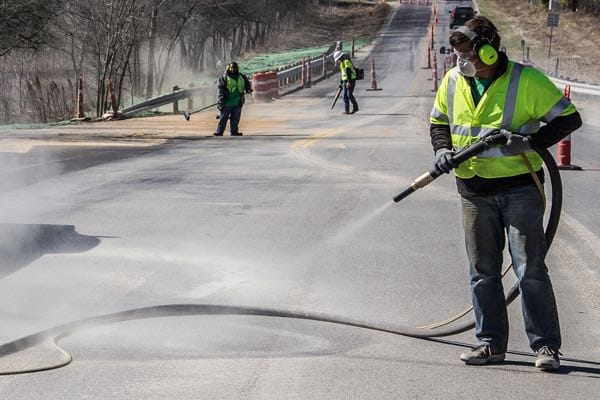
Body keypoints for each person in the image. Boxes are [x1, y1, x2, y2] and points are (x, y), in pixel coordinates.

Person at [429, 16, 582, 371]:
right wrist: (441, 151)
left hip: (519, 189)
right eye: (458, 56)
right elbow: (439, 122)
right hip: (472, 190)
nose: (462, 63)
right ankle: (490, 344)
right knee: (482, 271)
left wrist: (528, 143)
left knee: (530, 269)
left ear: (488, 49)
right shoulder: (454, 80)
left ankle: (545, 347)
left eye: (468, 55)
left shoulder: (525, 80)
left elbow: (568, 118)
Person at [214, 62, 252, 136]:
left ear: (237, 68)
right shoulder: (224, 78)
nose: (233, 69)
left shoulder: (241, 77)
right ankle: (219, 132)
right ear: (228, 68)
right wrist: (221, 99)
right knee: (223, 118)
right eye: (231, 67)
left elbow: (247, 84)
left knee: (235, 119)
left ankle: (234, 132)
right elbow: (220, 89)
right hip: (226, 102)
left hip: (238, 102)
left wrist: (248, 89)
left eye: (234, 68)